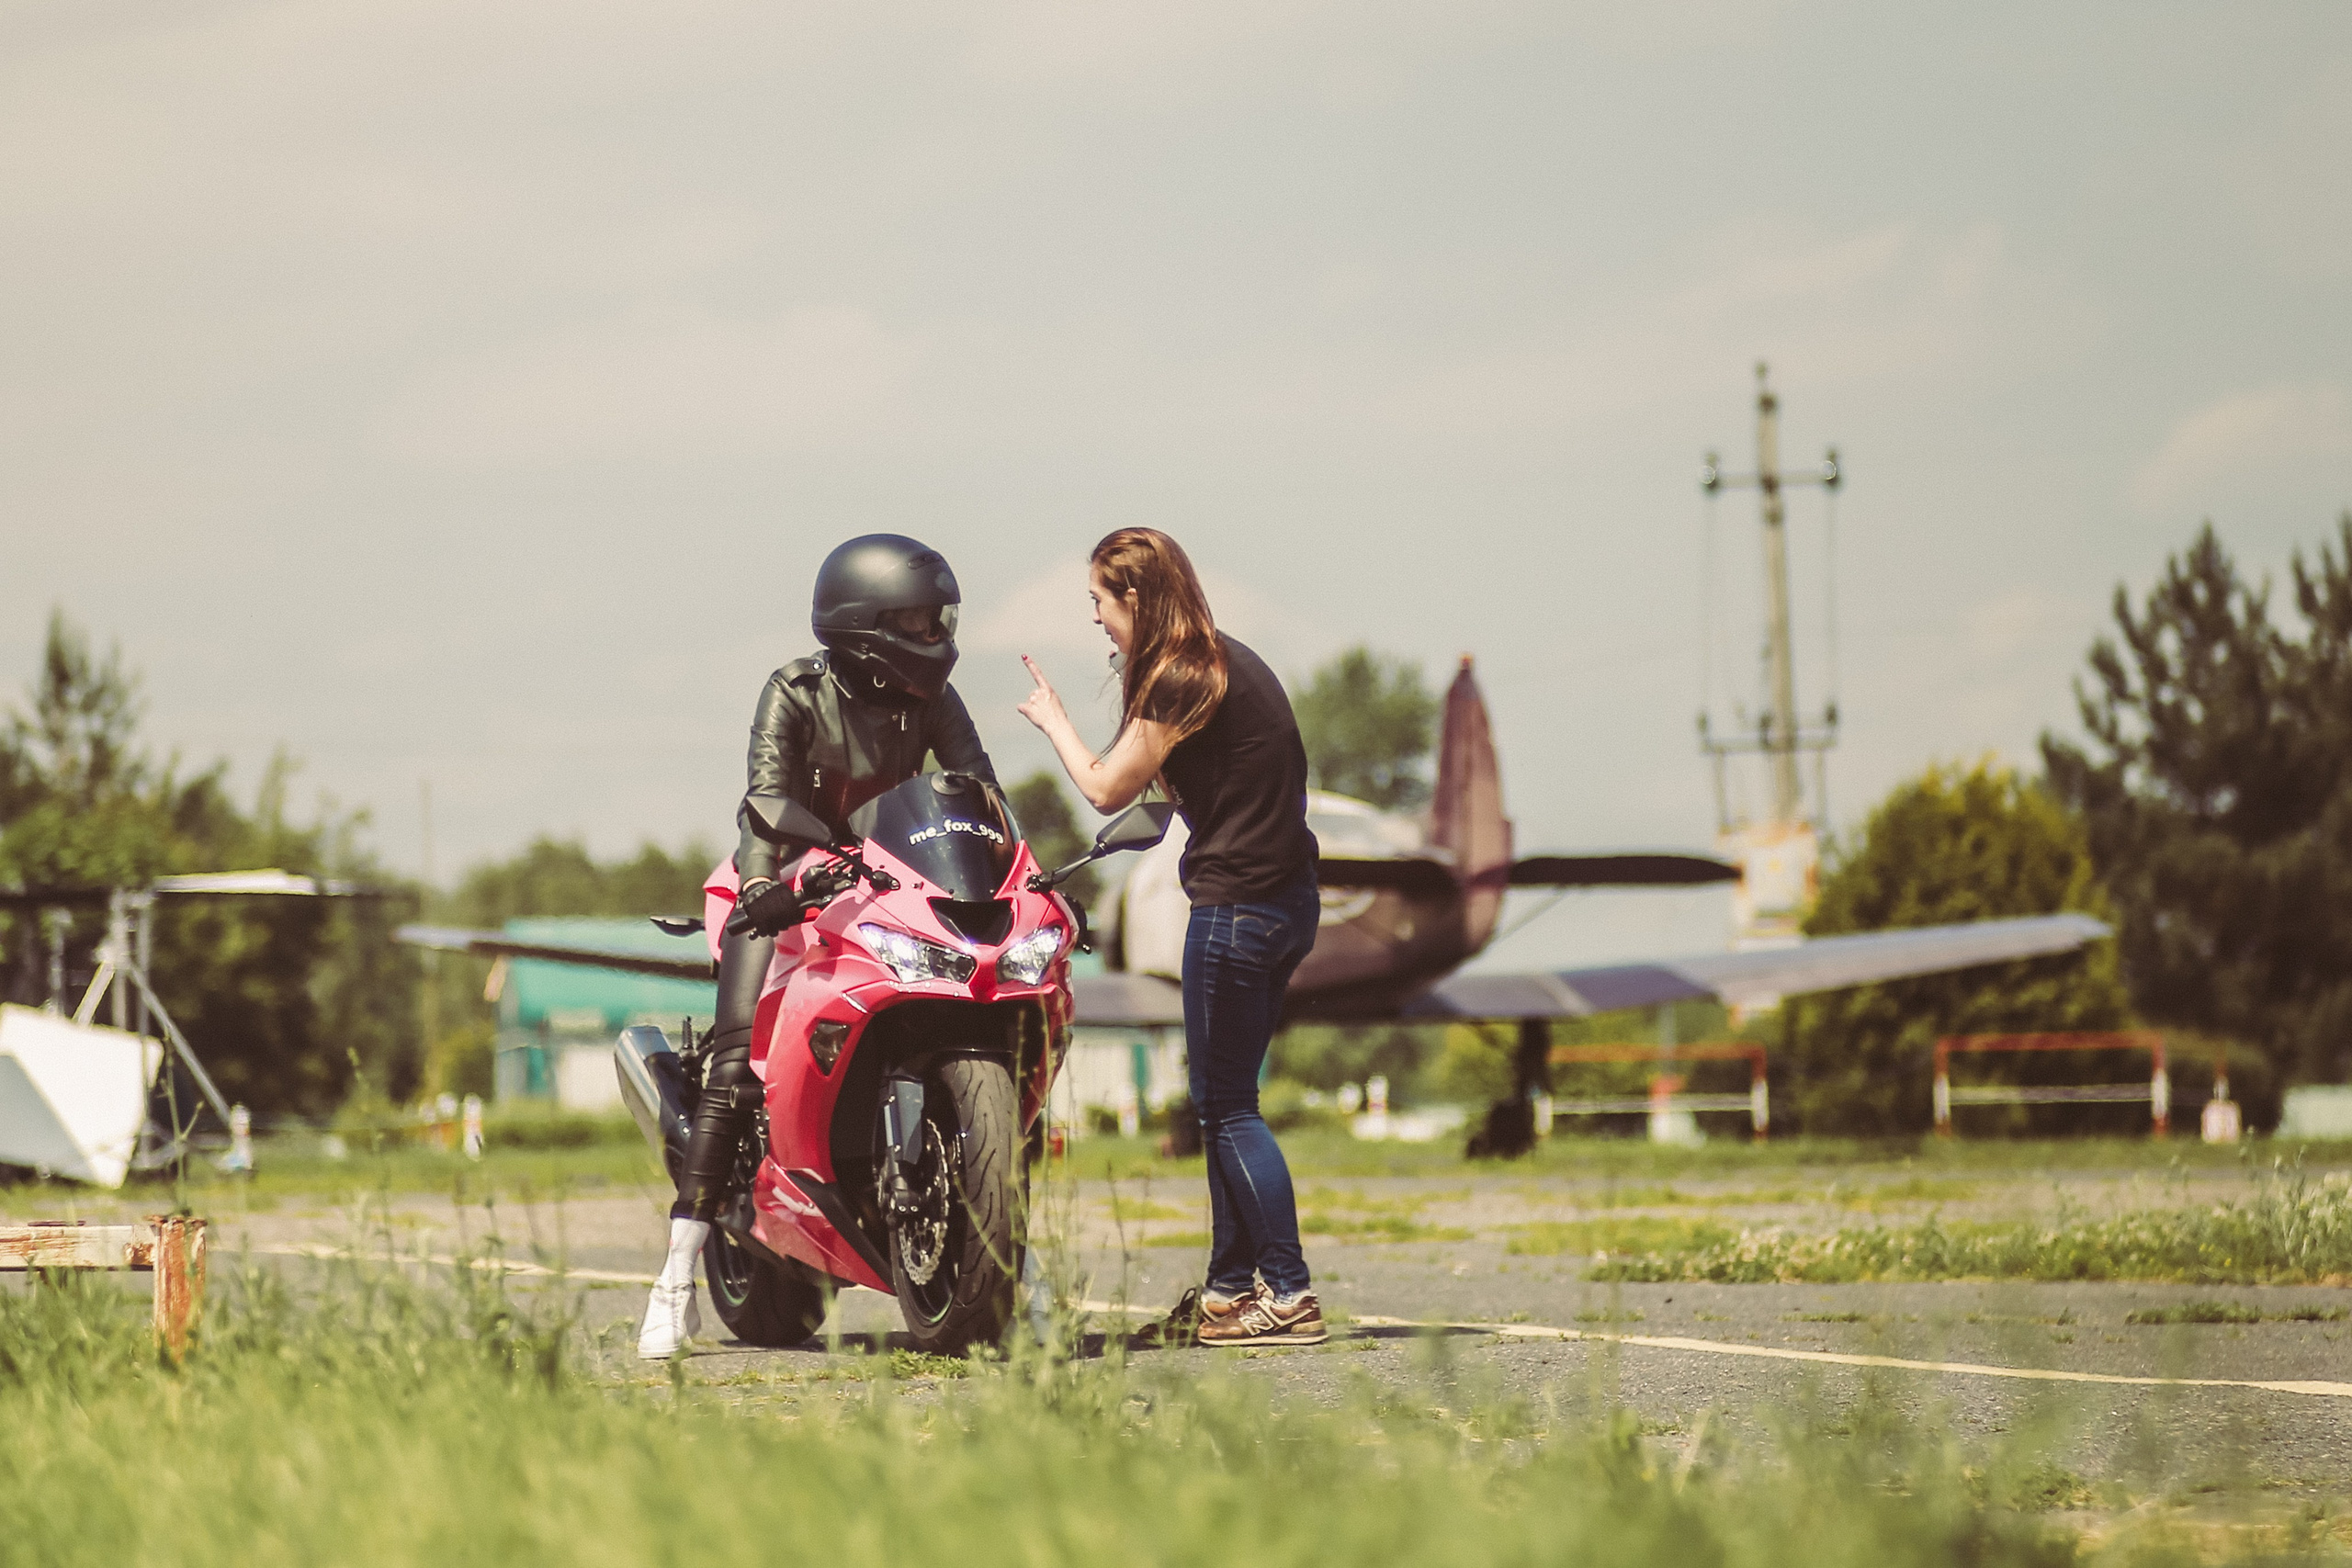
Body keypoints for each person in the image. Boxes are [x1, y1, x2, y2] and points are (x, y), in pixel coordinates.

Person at [638, 533, 997, 1359]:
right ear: (864, 625)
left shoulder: (931, 699)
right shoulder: (794, 691)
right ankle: (676, 1276)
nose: (933, 631)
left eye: (936, 615)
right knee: (733, 1069)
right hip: (785, 875)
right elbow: (765, 801)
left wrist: (1023, 871)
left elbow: (979, 791)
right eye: (913, 617)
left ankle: (1003, 1255)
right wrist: (763, 894)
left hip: (891, 878)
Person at [1017, 528, 1325, 1347]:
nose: (1097, 623)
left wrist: (1053, 722)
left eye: (1100, 604)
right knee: (1228, 1100)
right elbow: (1172, 804)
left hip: (1235, 913)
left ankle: (1288, 1293)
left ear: (1137, 598)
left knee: (1226, 1108)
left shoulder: (1180, 677)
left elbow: (1103, 786)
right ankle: (1229, 1292)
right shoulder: (1226, 662)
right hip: (1288, 904)